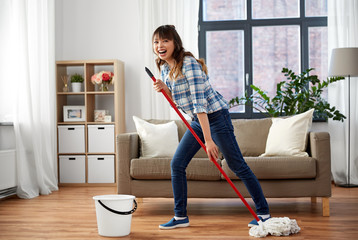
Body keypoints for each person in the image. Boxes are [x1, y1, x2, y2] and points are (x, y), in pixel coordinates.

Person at [151, 25, 270, 230]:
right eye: (156, 42)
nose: (159, 46)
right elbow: (178, 102)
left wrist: (208, 141)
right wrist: (164, 88)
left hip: (215, 117)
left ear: (174, 43)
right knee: (177, 164)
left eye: (165, 41)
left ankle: (263, 212)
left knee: (237, 165)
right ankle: (180, 217)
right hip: (198, 120)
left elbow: (200, 104)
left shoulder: (188, 64)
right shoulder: (164, 68)